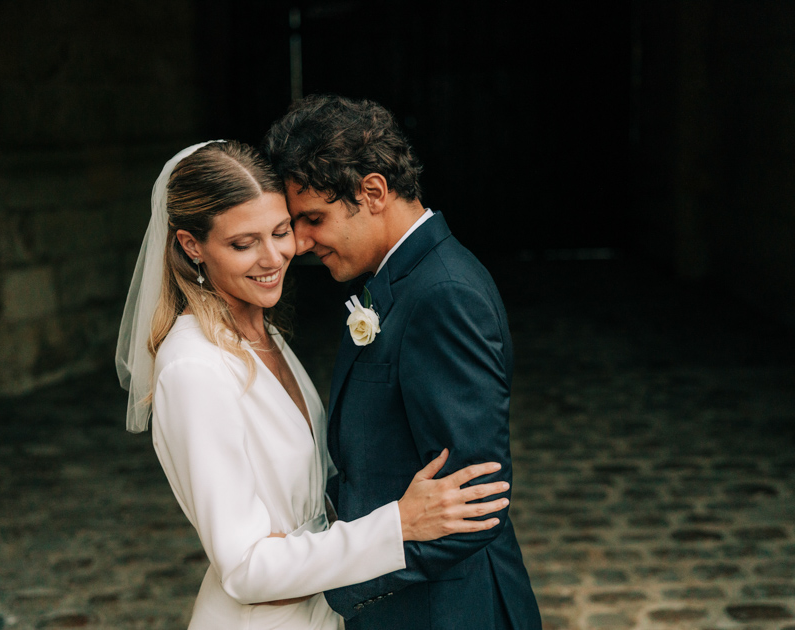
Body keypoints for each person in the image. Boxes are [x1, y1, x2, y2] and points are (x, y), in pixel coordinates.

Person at [115, 140, 510, 629]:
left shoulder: (264, 333)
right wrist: (398, 524)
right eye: (243, 244)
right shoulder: (193, 366)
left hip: (320, 606)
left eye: (281, 232)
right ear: (191, 245)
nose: (275, 257)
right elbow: (245, 568)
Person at [263, 95, 542, 629]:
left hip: (449, 612)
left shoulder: (443, 294)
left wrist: (332, 579)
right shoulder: (397, 279)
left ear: (373, 192)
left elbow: (475, 503)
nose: (298, 243)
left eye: (313, 218)